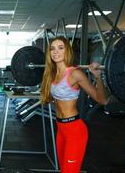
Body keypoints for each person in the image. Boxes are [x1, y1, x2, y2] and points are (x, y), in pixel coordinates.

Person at [40, 36, 108, 173]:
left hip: (74, 130)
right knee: (64, 170)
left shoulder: (75, 74)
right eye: (52, 48)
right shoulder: (51, 74)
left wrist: (97, 77)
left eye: (60, 48)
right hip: (60, 128)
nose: (55, 52)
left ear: (67, 51)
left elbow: (102, 100)